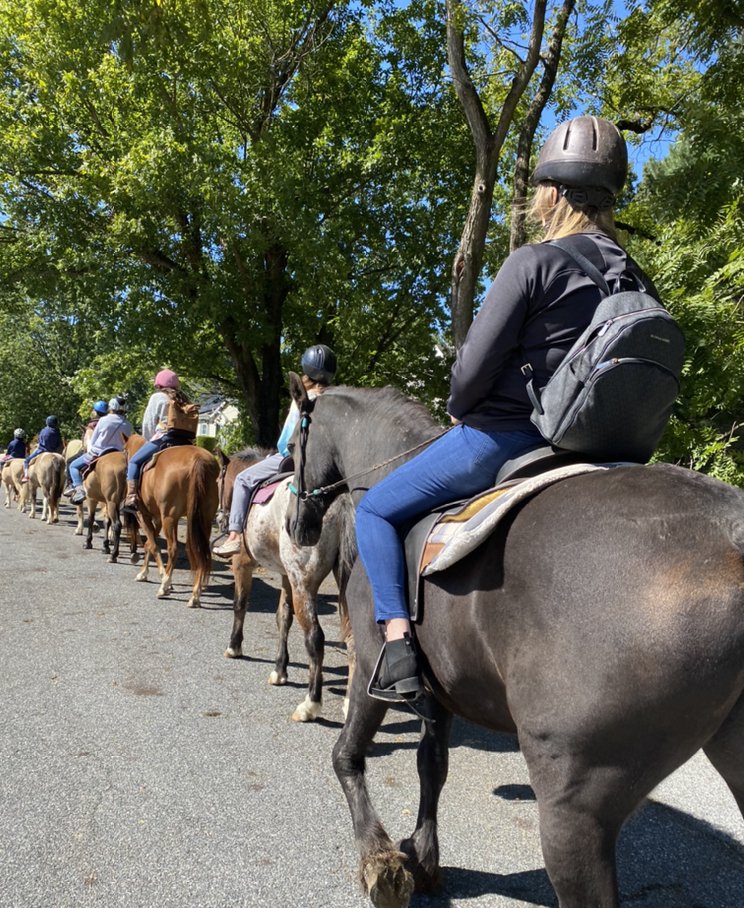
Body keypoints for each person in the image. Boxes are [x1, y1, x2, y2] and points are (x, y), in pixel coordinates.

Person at [357, 115, 658, 706]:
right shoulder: (636, 279)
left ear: (550, 192)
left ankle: (396, 645)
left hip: (509, 438)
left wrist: (460, 410)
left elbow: (470, 373)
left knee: (374, 510)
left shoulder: (534, 262)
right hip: (607, 447)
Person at [212, 344, 337, 557]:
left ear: (306, 368)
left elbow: (286, 441)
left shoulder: (302, 397)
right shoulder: (335, 399)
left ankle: (234, 536)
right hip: (326, 462)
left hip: (294, 457)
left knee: (242, 479)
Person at [122, 369, 195, 512]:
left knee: (134, 462)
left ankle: (131, 497)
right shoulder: (183, 398)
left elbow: (148, 423)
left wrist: (148, 439)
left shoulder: (157, 397)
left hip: (164, 438)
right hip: (186, 440)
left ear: (158, 385)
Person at [65, 397, 134, 504]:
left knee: (73, 465)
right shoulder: (128, 424)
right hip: (120, 454)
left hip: (98, 453)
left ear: (111, 407)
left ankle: (79, 489)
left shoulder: (103, 420)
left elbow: (94, 438)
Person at [22, 416, 63, 481]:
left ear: (47, 422)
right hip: (54, 451)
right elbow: (59, 443)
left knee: (26, 461)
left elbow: (40, 441)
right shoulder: (57, 432)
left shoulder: (43, 431)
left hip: (42, 450)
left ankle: (26, 476)